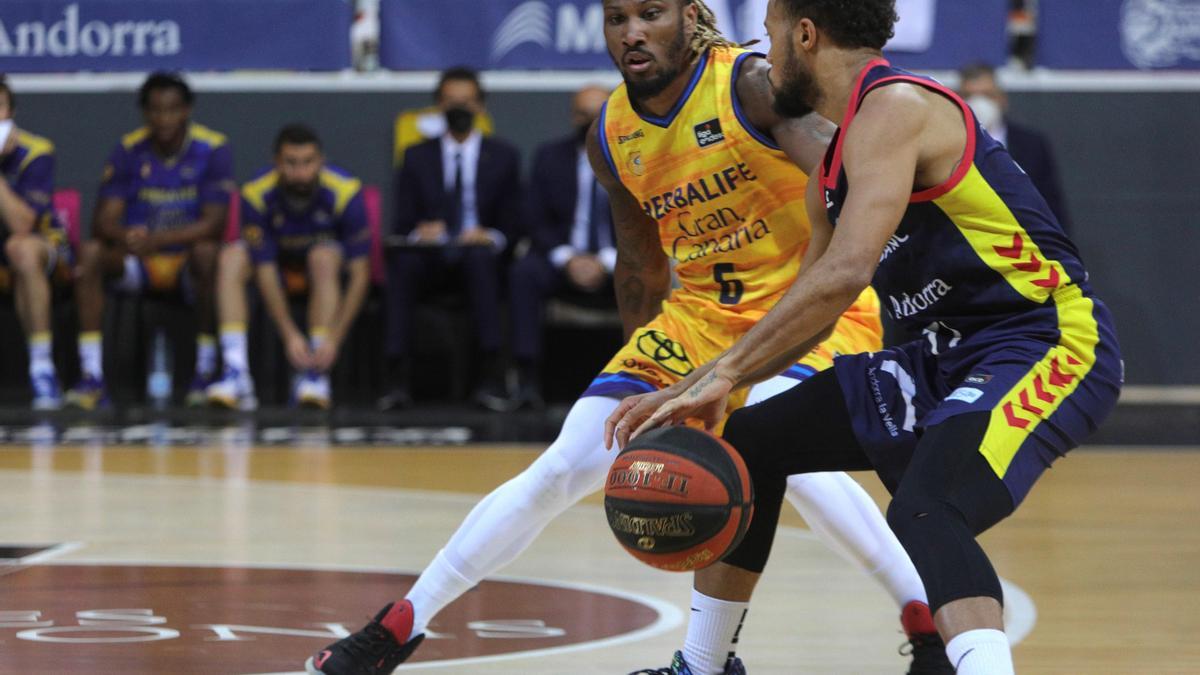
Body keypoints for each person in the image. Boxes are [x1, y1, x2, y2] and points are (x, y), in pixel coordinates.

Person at [306, 2, 953, 674]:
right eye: (618, 18)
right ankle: (399, 626)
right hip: (696, 317)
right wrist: (651, 377)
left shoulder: (748, 84)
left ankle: (924, 623)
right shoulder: (610, 133)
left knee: (782, 450)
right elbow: (640, 267)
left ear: (689, 17)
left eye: (651, 13)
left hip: (806, 307)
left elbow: (849, 171)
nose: (633, 31)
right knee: (563, 465)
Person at [608, 2, 1122, 674]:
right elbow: (814, 304)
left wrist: (721, 373)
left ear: (805, 35)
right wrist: (701, 386)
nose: (765, 51)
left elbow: (846, 274)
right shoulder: (833, 157)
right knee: (751, 443)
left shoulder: (897, 106)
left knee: (927, 507)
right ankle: (703, 666)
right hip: (942, 355)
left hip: (1044, 340)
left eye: (769, 34)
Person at [66, 72, 233, 410]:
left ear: (187, 110)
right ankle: (92, 375)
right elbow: (103, 221)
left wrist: (159, 239)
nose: (164, 119)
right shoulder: (129, 150)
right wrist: (126, 235)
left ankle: (204, 369)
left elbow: (214, 224)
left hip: (185, 261)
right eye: (155, 111)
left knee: (208, 253)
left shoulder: (212, 149)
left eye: (172, 110)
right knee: (92, 252)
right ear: (145, 114)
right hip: (139, 261)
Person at [378, 67, 521, 412]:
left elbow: (513, 223)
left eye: (467, 102)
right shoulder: (416, 156)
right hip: (431, 255)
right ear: (438, 107)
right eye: (451, 102)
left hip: (478, 254)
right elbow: (402, 222)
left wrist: (489, 235)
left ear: (481, 108)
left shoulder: (503, 156)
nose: (459, 109)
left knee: (480, 260)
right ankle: (396, 378)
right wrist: (420, 232)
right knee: (403, 265)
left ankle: (491, 377)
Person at [206, 124, 371, 410]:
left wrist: (335, 339)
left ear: (321, 161)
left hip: (323, 272)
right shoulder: (257, 193)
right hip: (276, 270)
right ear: (277, 164)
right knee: (231, 257)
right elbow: (265, 267)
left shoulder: (346, 192)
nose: (300, 172)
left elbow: (360, 274)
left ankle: (316, 373)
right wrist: (289, 333)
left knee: (322, 256)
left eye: (308, 162)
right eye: (291, 163)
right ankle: (237, 373)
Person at [508, 84, 618, 409]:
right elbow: (533, 218)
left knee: (648, 277)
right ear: (572, 117)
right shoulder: (550, 157)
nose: (590, 122)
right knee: (524, 273)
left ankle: (647, 380)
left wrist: (607, 261)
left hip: (619, 261)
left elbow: (649, 219)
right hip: (562, 258)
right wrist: (569, 259)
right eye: (583, 114)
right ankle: (526, 379)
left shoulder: (635, 155)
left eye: (598, 114)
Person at [0, 76, 72, 410]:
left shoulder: (36, 152)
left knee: (21, 248)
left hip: (40, 246)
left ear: (11, 113)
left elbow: (23, 224)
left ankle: (42, 368)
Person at [959, 63, 1070, 234]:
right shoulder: (945, 145)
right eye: (969, 96)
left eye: (988, 95)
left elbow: (1051, 206)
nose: (979, 104)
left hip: (1023, 245)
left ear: (1002, 99)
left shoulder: (1031, 145)